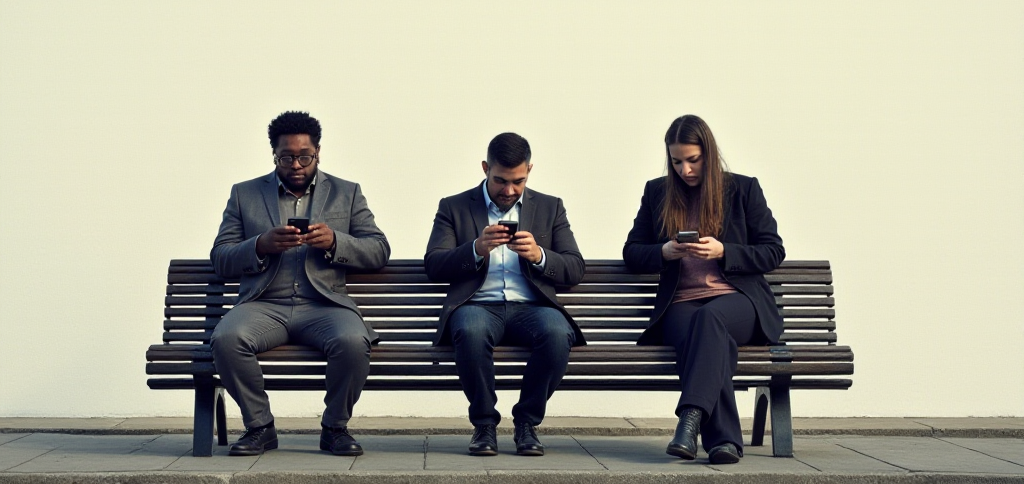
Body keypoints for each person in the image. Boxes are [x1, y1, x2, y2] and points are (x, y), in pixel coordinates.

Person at [209, 111, 390, 457]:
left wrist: (335, 241)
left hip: (324, 305)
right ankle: (260, 427)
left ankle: (335, 428)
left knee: (353, 340)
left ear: (318, 152)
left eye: (304, 156)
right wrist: (260, 244)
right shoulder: (244, 195)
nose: (296, 164)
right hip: (263, 305)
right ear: (274, 154)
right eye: (286, 157)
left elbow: (379, 249)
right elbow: (221, 256)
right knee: (226, 339)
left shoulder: (346, 193)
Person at [622, 115, 785, 464]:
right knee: (710, 335)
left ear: (708, 154)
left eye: (693, 160)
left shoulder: (742, 189)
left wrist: (725, 251)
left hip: (739, 301)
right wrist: (663, 252)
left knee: (711, 319)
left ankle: (690, 419)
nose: (685, 169)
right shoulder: (658, 192)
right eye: (677, 161)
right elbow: (632, 252)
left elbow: (773, 250)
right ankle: (723, 442)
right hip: (680, 304)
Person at [424, 132, 586, 457]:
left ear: (529, 171)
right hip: (477, 305)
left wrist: (539, 255)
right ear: (485, 168)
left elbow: (574, 268)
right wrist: (475, 249)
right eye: (500, 181)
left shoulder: (550, 208)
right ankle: (484, 425)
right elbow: (434, 265)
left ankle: (527, 423)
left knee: (558, 333)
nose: (509, 191)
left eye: (518, 181)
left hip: (532, 306)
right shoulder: (454, 207)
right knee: (469, 330)